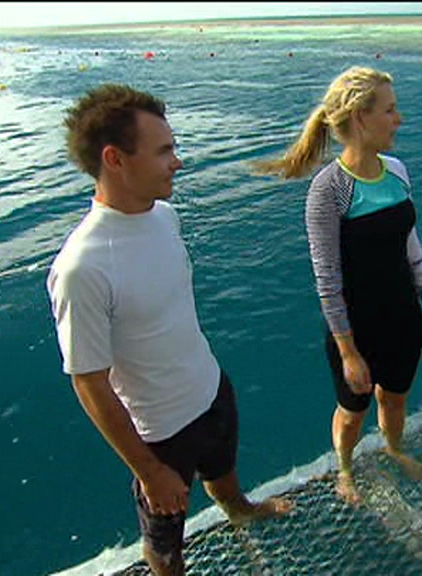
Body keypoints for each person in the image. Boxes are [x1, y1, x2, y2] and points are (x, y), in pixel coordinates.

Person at [47, 84, 291, 575]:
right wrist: (150, 470)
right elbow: (89, 382)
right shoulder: (81, 268)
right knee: (165, 547)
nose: (177, 162)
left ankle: (239, 509)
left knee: (223, 473)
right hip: (160, 434)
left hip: (211, 389)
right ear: (115, 159)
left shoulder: (165, 217)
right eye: (163, 151)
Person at [256, 66, 422, 505]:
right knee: (352, 412)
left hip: (403, 316)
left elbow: (411, 246)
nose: (399, 118)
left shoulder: (397, 171)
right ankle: (345, 467)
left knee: (395, 399)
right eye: (390, 110)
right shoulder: (330, 189)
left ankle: (394, 448)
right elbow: (327, 278)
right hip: (357, 329)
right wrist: (347, 351)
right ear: (361, 118)